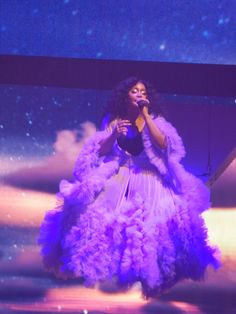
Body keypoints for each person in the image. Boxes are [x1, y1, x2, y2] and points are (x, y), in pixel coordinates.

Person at [38, 76, 220, 298]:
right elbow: (101, 151)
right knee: (99, 217)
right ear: (126, 96)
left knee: (152, 229)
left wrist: (146, 116)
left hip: (150, 178)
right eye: (135, 91)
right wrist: (113, 133)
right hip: (121, 175)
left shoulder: (155, 119)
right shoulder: (114, 119)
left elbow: (164, 145)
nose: (140, 94)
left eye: (143, 91)